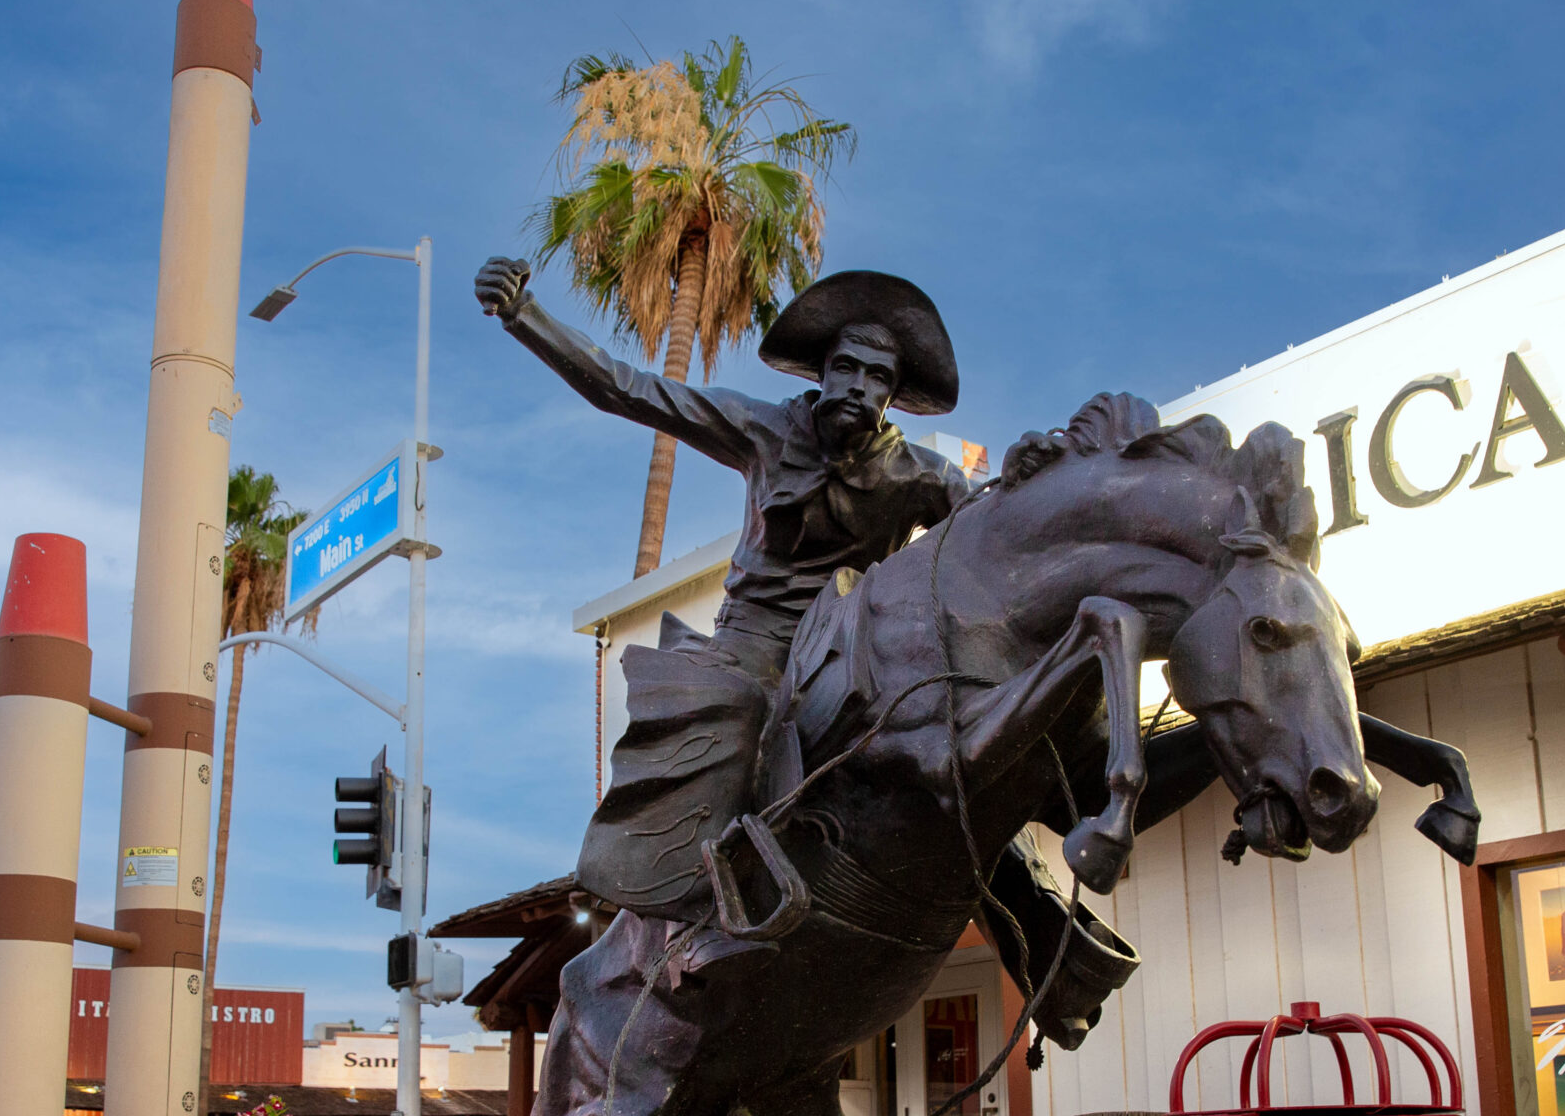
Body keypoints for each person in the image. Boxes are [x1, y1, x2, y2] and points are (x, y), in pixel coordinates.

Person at [474, 256, 1135, 1039]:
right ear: (823, 371)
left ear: (893, 394)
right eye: (846, 367)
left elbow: (1000, 527)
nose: (858, 385)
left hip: (856, 651)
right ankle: (696, 916)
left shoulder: (917, 473)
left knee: (958, 765)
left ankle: (1051, 957)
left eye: (877, 377)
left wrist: (1035, 473)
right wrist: (527, 317)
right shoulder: (763, 429)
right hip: (755, 646)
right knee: (732, 722)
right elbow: (630, 388)